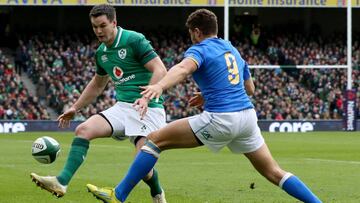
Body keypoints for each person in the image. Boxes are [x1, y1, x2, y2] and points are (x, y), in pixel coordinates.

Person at [88, 9, 323, 203]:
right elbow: (249, 88)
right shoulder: (232, 49)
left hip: (222, 118)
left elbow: (182, 69)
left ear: (197, 31)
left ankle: (118, 195)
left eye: (191, 32)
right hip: (247, 118)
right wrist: (207, 92)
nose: (190, 37)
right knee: (274, 172)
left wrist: (159, 87)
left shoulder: (200, 49)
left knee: (154, 140)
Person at [30, 4, 168, 203]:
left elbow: (160, 69)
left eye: (103, 25)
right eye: (95, 27)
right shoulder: (101, 52)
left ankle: (157, 193)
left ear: (114, 23)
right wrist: (75, 107)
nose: (99, 31)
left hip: (148, 109)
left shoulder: (134, 39)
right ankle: (61, 181)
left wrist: (146, 97)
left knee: (144, 166)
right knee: (84, 129)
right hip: (123, 108)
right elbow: (97, 84)